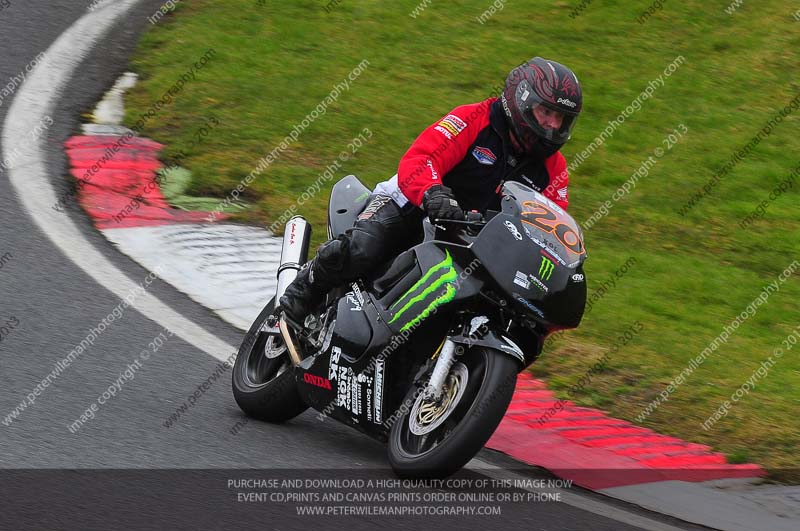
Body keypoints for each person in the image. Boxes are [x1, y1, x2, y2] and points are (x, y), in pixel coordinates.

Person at [279, 56, 583, 328]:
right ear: (521, 101)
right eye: (546, 112)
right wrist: (434, 193)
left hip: (474, 242)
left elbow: (547, 227)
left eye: (561, 119)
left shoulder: (554, 169)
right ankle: (303, 290)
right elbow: (421, 158)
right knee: (363, 248)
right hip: (411, 204)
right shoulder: (474, 119)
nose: (552, 125)